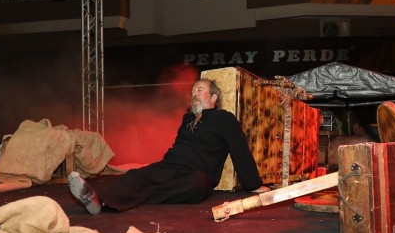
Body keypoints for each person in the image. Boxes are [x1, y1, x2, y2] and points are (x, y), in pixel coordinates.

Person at [67, 78, 270, 214]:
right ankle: (97, 200)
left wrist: (253, 184)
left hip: (197, 175)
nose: (194, 94)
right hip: (170, 166)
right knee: (135, 175)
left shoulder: (224, 119)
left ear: (213, 97)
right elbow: (179, 147)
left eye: (200, 90)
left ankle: (115, 202)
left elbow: (240, 151)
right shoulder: (187, 119)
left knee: (193, 186)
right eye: (193, 91)